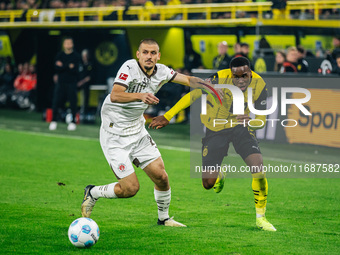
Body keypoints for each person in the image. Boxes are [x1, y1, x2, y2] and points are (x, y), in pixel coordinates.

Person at [81, 38, 206, 227]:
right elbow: (115, 95)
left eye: (153, 53)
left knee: (161, 177)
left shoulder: (162, 71)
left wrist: (210, 86)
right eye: (145, 52)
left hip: (137, 131)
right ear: (138, 54)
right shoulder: (129, 68)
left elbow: (188, 80)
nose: (149, 56)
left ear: (158, 56)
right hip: (114, 135)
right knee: (130, 189)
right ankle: (93, 192)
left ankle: (163, 218)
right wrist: (140, 95)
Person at [149, 56, 277, 232]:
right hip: (216, 128)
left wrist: (251, 121)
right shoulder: (218, 79)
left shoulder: (260, 85)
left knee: (258, 167)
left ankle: (261, 218)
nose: (240, 80)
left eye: (244, 76)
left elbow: (262, 120)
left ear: (251, 73)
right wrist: (168, 116)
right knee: (208, 184)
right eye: (236, 76)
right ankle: (218, 175)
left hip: (241, 127)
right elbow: (193, 95)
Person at [49, 37, 81, 131]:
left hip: (71, 82)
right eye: (66, 43)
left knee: (73, 103)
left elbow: (74, 69)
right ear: (63, 44)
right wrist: (68, 66)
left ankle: (73, 122)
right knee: (56, 102)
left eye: (70, 43)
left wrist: (63, 66)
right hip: (61, 82)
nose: (68, 45)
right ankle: (53, 121)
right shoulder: (59, 55)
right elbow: (57, 68)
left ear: (72, 44)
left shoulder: (76, 56)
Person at [77, 49, 93, 116]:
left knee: (85, 97)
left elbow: (89, 77)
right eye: (83, 56)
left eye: (85, 56)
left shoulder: (90, 64)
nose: (84, 57)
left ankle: (84, 111)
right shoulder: (80, 64)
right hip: (78, 83)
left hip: (86, 84)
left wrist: (82, 82)